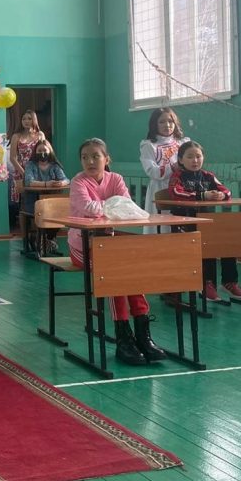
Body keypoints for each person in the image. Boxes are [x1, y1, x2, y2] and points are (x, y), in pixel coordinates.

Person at [68, 138, 166, 366]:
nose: (90, 161)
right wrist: (113, 207)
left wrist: (111, 207)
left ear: (106, 159)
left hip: (108, 244)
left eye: (95, 156)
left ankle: (143, 335)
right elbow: (89, 209)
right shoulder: (78, 182)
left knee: (129, 272)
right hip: (82, 246)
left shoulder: (116, 179)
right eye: (84, 157)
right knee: (113, 273)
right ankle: (123, 338)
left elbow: (127, 207)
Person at [167, 141, 241, 301]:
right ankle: (206, 283)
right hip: (184, 222)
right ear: (181, 160)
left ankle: (229, 281)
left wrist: (221, 195)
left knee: (227, 240)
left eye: (198, 156)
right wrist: (202, 195)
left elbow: (226, 191)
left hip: (205, 221)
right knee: (207, 241)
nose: (195, 160)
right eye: (190, 157)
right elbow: (176, 193)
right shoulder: (177, 176)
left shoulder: (208, 176)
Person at [139, 107, 189, 233]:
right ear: (154, 124)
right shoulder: (149, 145)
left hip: (181, 188)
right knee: (161, 226)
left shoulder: (183, 143)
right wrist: (172, 167)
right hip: (160, 188)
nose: (167, 125)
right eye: (162, 122)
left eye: (170, 121)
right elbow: (152, 171)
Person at [21, 139, 68, 253]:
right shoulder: (31, 165)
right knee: (42, 213)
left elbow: (66, 179)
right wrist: (46, 184)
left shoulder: (54, 165)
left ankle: (49, 239)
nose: (42, 153)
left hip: (51, 201)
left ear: (50, 151)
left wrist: (61, 183)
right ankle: (38, 239)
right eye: (39, 150)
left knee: (60, 213)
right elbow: (28, 182)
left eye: (45, 150)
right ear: (35, 152)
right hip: (33, 200)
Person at [8, 109, 46, 220]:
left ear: (34, 120)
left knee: (39, 200)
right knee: (24, 203)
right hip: (21, 171)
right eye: (24, 119)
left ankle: (39, 225)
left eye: (29, 118)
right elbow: (12, 158)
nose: (26, 121)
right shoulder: (16, 136)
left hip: (37, 171)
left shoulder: (40, 135)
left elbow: (44, 154)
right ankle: (24, 229)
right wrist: (24, 173)